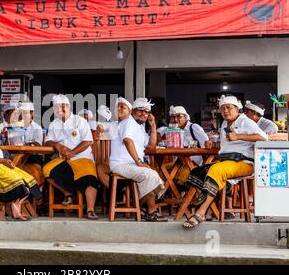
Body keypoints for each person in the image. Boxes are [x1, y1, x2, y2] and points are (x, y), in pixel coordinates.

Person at [183, 95, 268, 229]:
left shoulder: (246, 121)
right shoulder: (224, 124)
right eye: (222, 109)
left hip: (244, 163)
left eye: (229, 108)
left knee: (217, 170)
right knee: (197, 172)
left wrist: (238, 136)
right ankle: (211, 209)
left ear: (237, 109)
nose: (225, 111)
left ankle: (200, 213)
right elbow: (226, 144)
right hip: (226, 161)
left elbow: (264, 138)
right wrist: (213, 143)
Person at [98, 97, 166, 221]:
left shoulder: (139, 127)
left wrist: (153, 126)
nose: (144, 114)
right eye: (140, 110)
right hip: (121, 164)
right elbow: (127, 140)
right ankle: (151, 211)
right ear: (132, 111)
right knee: (149, 174)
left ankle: (143, 207)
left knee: (152, 174)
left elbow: (151, 146)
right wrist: (139, 161)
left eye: (146, 112)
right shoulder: (129, 122)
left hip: (131, 164)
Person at [42, 94, 99, 220]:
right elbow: (47, 142)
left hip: (82, 158)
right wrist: (56, 144)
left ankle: (90, 210)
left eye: (63, 107)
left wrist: (73, 152)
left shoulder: (80, 121)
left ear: (68, 107)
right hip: (64, 159)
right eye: (56, 108)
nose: (60, 110)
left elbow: (88, 141)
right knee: (46, 171)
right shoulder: (53, 124)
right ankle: (68, 193)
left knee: (90, 178)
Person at [171, 105, 209, 184]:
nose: (175, 119)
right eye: (173, 117)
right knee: (160, 170)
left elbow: (206, 145)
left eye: (179, 116)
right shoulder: (174, 131)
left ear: (185, 117)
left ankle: (186, 195)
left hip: (194, 165)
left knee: (177, 177)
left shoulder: (193, 127)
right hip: (179, 163)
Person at [19, 101, 46, 187]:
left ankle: (36, 195)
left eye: (26, 113)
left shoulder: (37, 128)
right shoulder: (16, 126)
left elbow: (37, 145)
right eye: (22, 113)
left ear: (32, 114)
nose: (23, 115)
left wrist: (28, 145)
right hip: (18, 157)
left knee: (33, 172)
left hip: (33, 158)